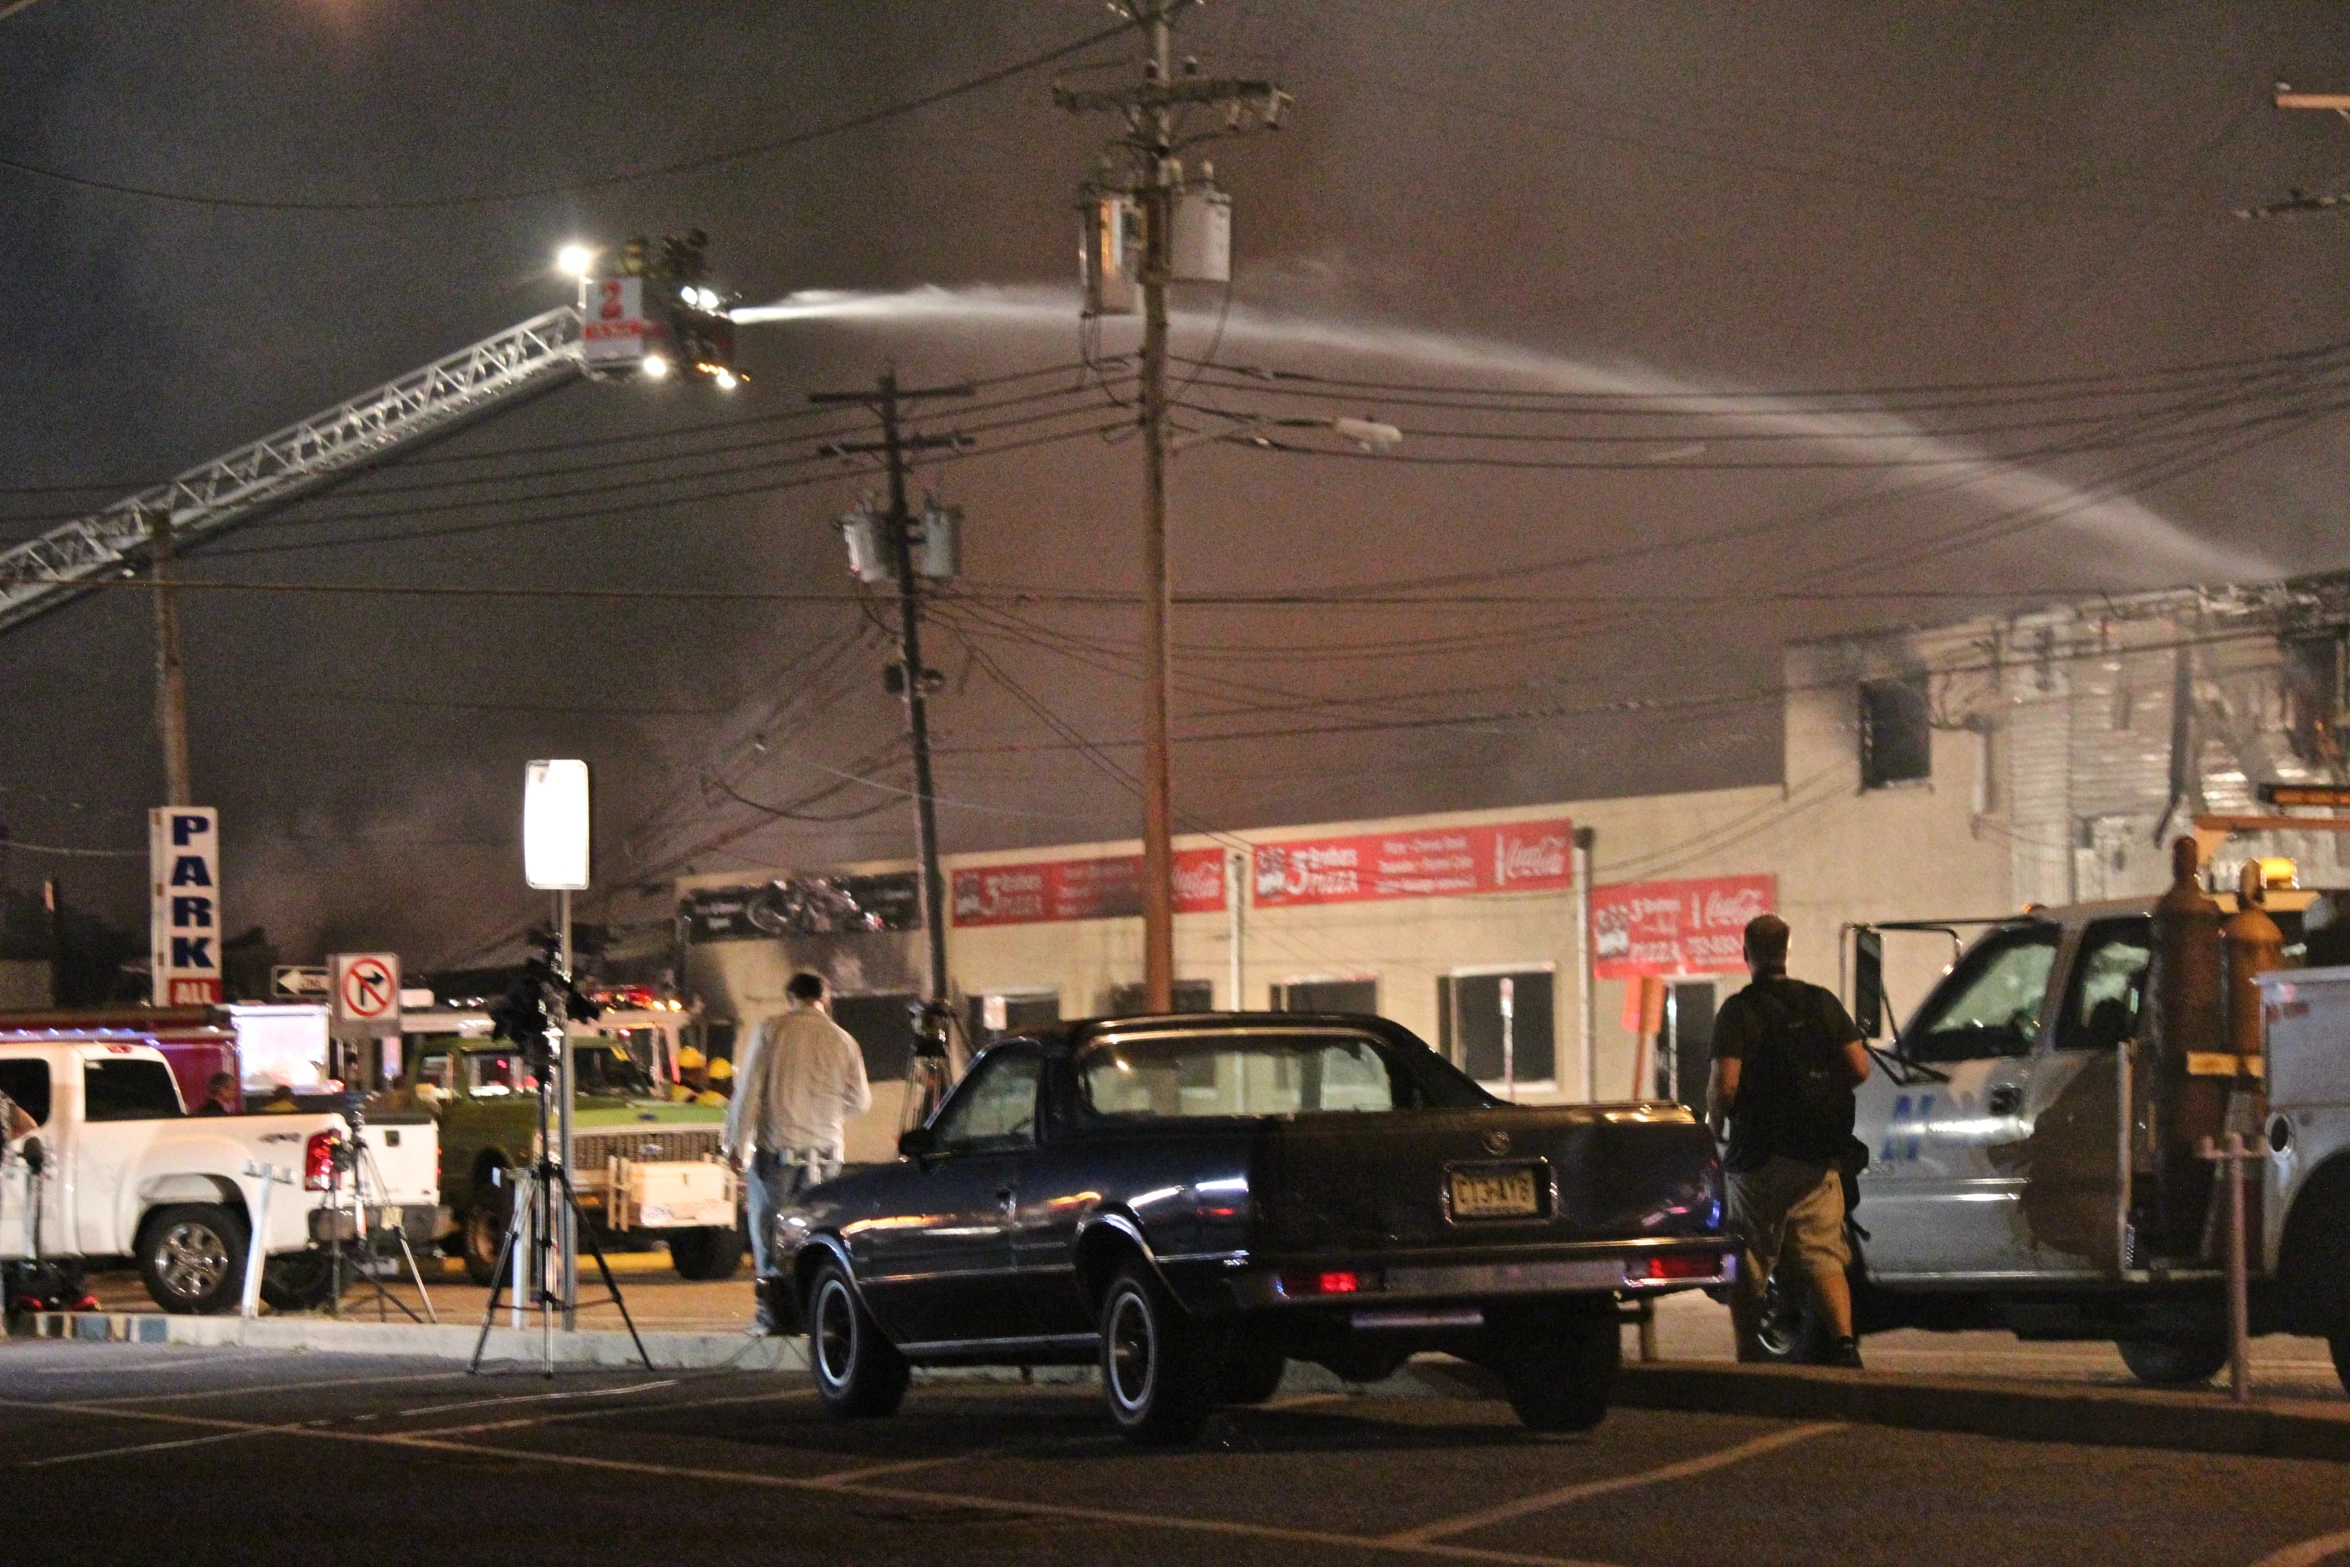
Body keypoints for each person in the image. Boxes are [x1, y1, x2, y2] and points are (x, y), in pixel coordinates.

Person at [1706, 913, 1872, 1369]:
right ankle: (1843, 1344)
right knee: (1823, 1251)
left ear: (1746, 955)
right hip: (1818, 1153)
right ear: (1787, 952)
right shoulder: (1821, 1003)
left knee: (1749, 1252)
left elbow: (1725, 1086)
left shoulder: (1738, 1012)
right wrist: (1817, 1097)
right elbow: (1859, 1068)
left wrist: (1714, 1128)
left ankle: (1748, 1353)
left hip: (1758, 1156)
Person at [724, 972, 872, 1334]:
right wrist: (826, 1116)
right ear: (824, 998)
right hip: (827, 1153)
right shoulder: (844, 1039)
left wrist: (735, 1145)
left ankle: (775, 1316)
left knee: (771, 1232)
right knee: (819, 1234)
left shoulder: (772, 1030)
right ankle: (820, 1315)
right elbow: (861, 1101)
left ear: (790, 997)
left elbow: (748, 1092)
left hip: (779, 1152)